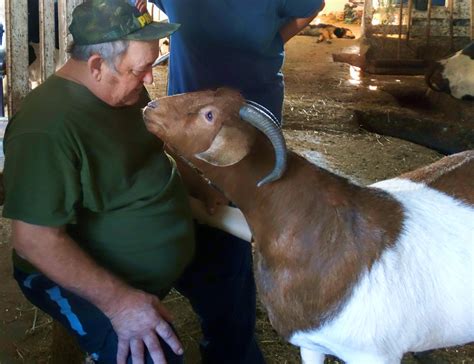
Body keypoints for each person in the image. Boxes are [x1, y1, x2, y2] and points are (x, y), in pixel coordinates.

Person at [2, 0, 263, 363]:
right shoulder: (44, 129)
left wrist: (195, 184)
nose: (149, 80)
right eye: (141, 70)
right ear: (96, 66)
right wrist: (120, 303)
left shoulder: (123, 88)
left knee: (229, 257)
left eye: (151, 66)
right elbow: (34, 241)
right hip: (71, 272)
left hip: (165, 225)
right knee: (151, 350)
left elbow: (159, 143)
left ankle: (233, 356)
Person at [146, 0, 325, 122]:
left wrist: (276, 39)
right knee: (188, 173)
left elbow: (313, 5)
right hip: (188, 108)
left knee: (253, 171)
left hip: (253, 109)